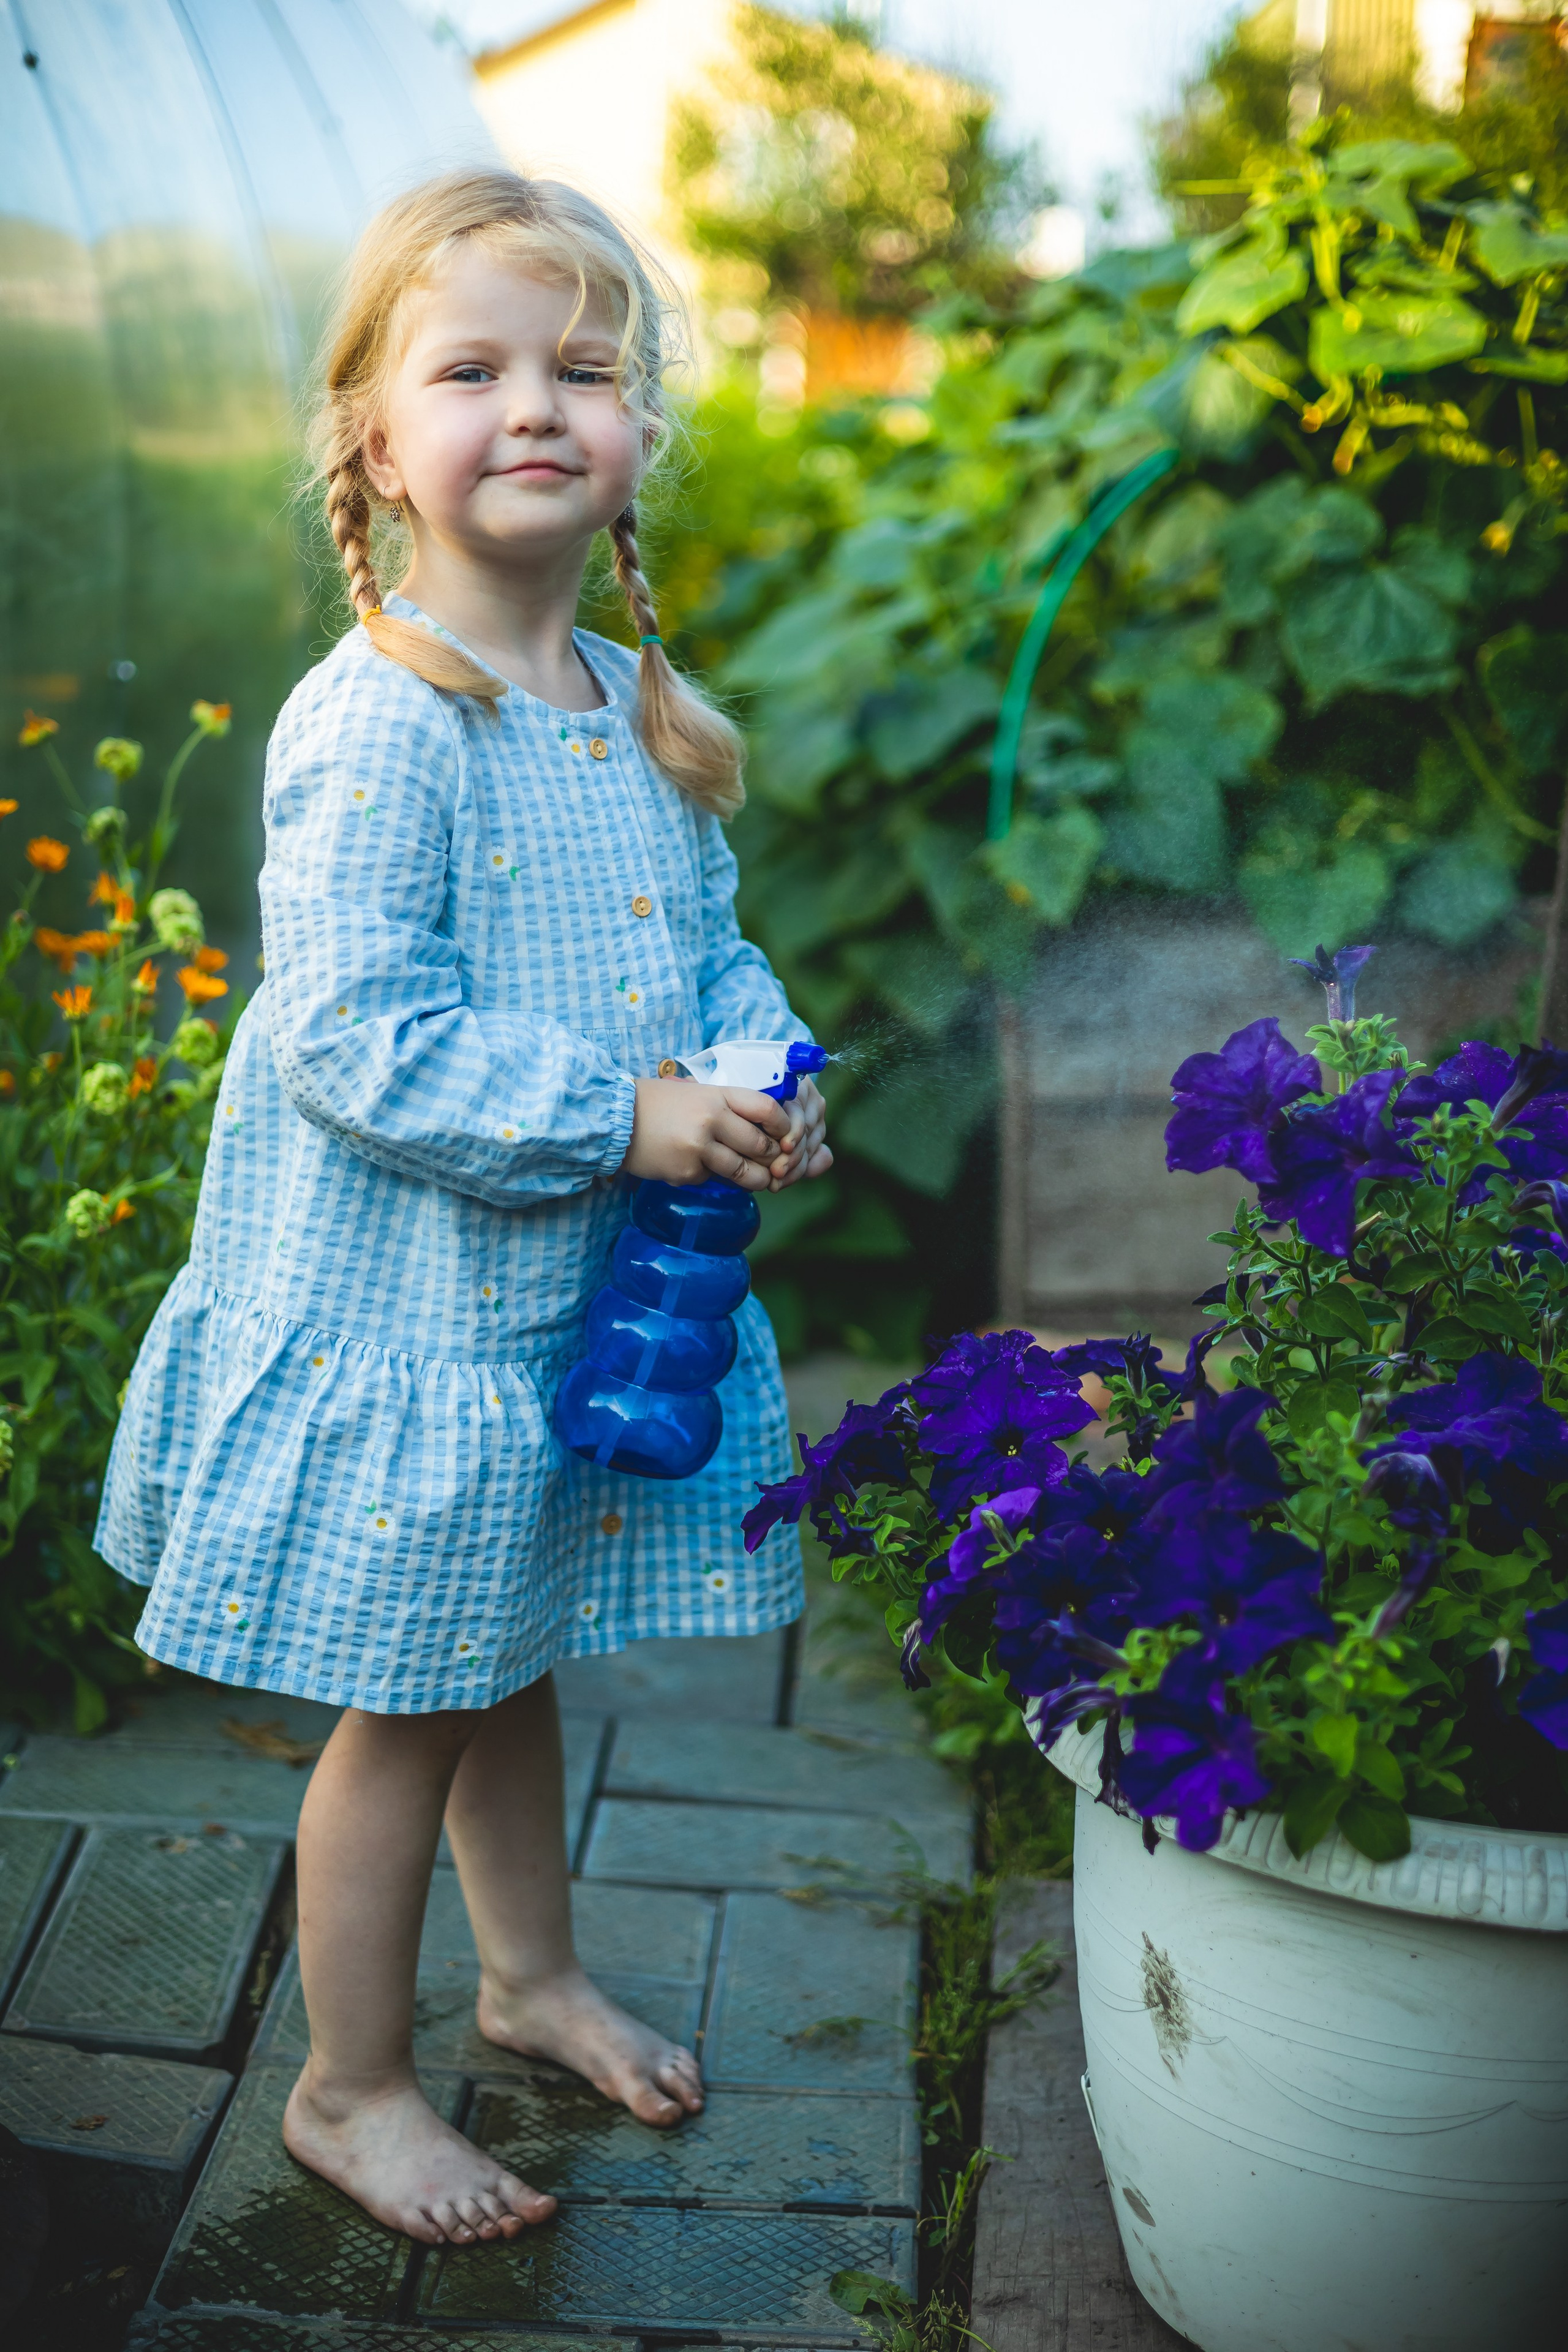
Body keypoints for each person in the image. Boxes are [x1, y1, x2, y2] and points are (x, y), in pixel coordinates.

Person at [96, 168, 831, 2249]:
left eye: (584, 371)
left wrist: (766, 1082)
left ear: (633, 448)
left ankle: (530, 1979)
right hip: (411, 1321)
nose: (535, 406)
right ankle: (348, 2085)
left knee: (508, 1656)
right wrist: (629, 1116)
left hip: (547, 1320)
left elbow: (713, 961)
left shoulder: (625, 707)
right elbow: (356, 1037)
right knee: (405, 1713)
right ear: (371, 438)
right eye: (474, 367)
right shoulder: (381, 721)